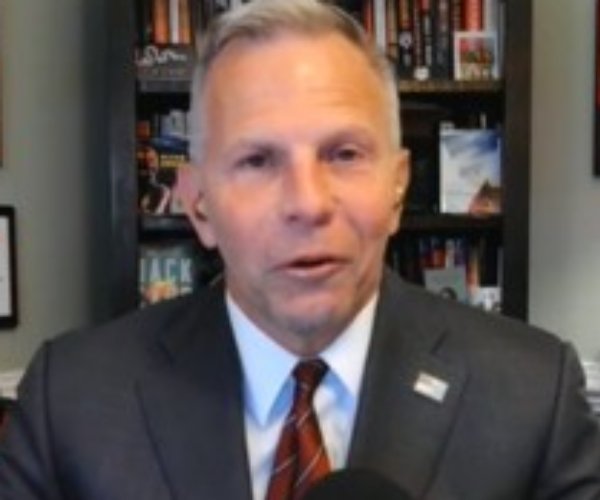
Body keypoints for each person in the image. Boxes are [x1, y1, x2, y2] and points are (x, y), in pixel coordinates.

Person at [1, 1, 600, 499]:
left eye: (344, 154)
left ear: (397, 188)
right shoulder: (72, 402)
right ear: (199, 205)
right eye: (257, 161)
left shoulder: (533, 396)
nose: (308, 204)